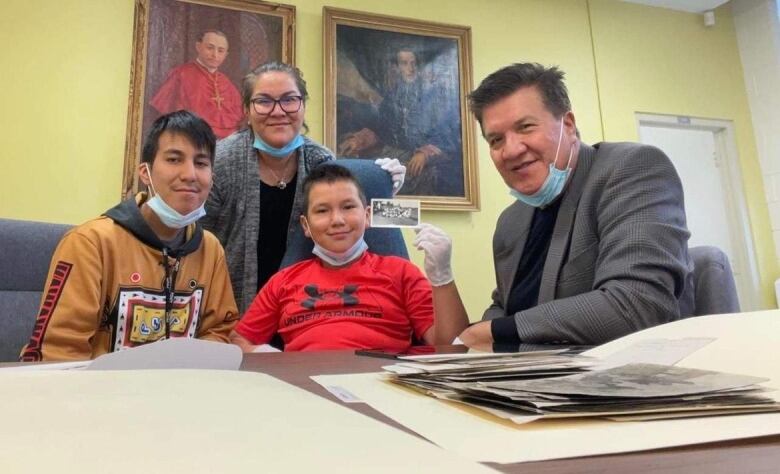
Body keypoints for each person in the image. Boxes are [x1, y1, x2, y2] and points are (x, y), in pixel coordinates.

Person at [439, 62, 693, 347]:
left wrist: (496, 332)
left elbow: (637, 303)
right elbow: (504, 306)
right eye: (496, 140)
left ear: (569, 126)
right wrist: (480, 333)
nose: (510, 150)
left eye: (525, 127)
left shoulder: (632, 169)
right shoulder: (511, 221)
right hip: (529, 379)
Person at [20, 111, 239, 362]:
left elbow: (219, 331)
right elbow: (57, 352)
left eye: (201, 163)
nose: (190, 174)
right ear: (145, 172)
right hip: (97, 395)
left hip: (179, 393)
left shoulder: (210, 249)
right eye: (174, 159)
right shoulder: (91, 243)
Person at [201, 62, 405, 314]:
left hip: (306, 311)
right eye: (264, 101)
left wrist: (385, 190)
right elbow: (197, 245)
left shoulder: (322, 161)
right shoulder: (220, 162)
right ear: (246, 109)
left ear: (303, 106)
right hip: (231, 314)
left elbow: (369, 224)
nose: (278, 111)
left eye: (289, 100)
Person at [229, 164, 467, 352]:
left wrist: (442, 277)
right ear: (305, 225)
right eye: (322, 210)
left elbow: (451, 347)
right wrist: (266, 357)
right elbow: (239, 341)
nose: (337, 220)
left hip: (384, 385)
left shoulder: (402, 273)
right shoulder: (282, 282)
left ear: (367, 215)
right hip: (304, 389)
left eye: (348, 207)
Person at [337, 46, 462, 196]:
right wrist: (359, 140)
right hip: (397, 155)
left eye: (413, 63)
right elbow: (381, 129)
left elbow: (446, 133)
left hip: (428, 160)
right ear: (397, 67)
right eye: (404, 63)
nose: (410, 68)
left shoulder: (434, 95)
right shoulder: (393, 95)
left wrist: (424, 154)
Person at [150, 30, 244, 139]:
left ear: (226, 55)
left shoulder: (226, 82)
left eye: (221, 50)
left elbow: (240, 119)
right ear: (198, 47)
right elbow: (169, 119)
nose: (215, 55)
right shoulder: (181, 74)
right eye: (210, 48)